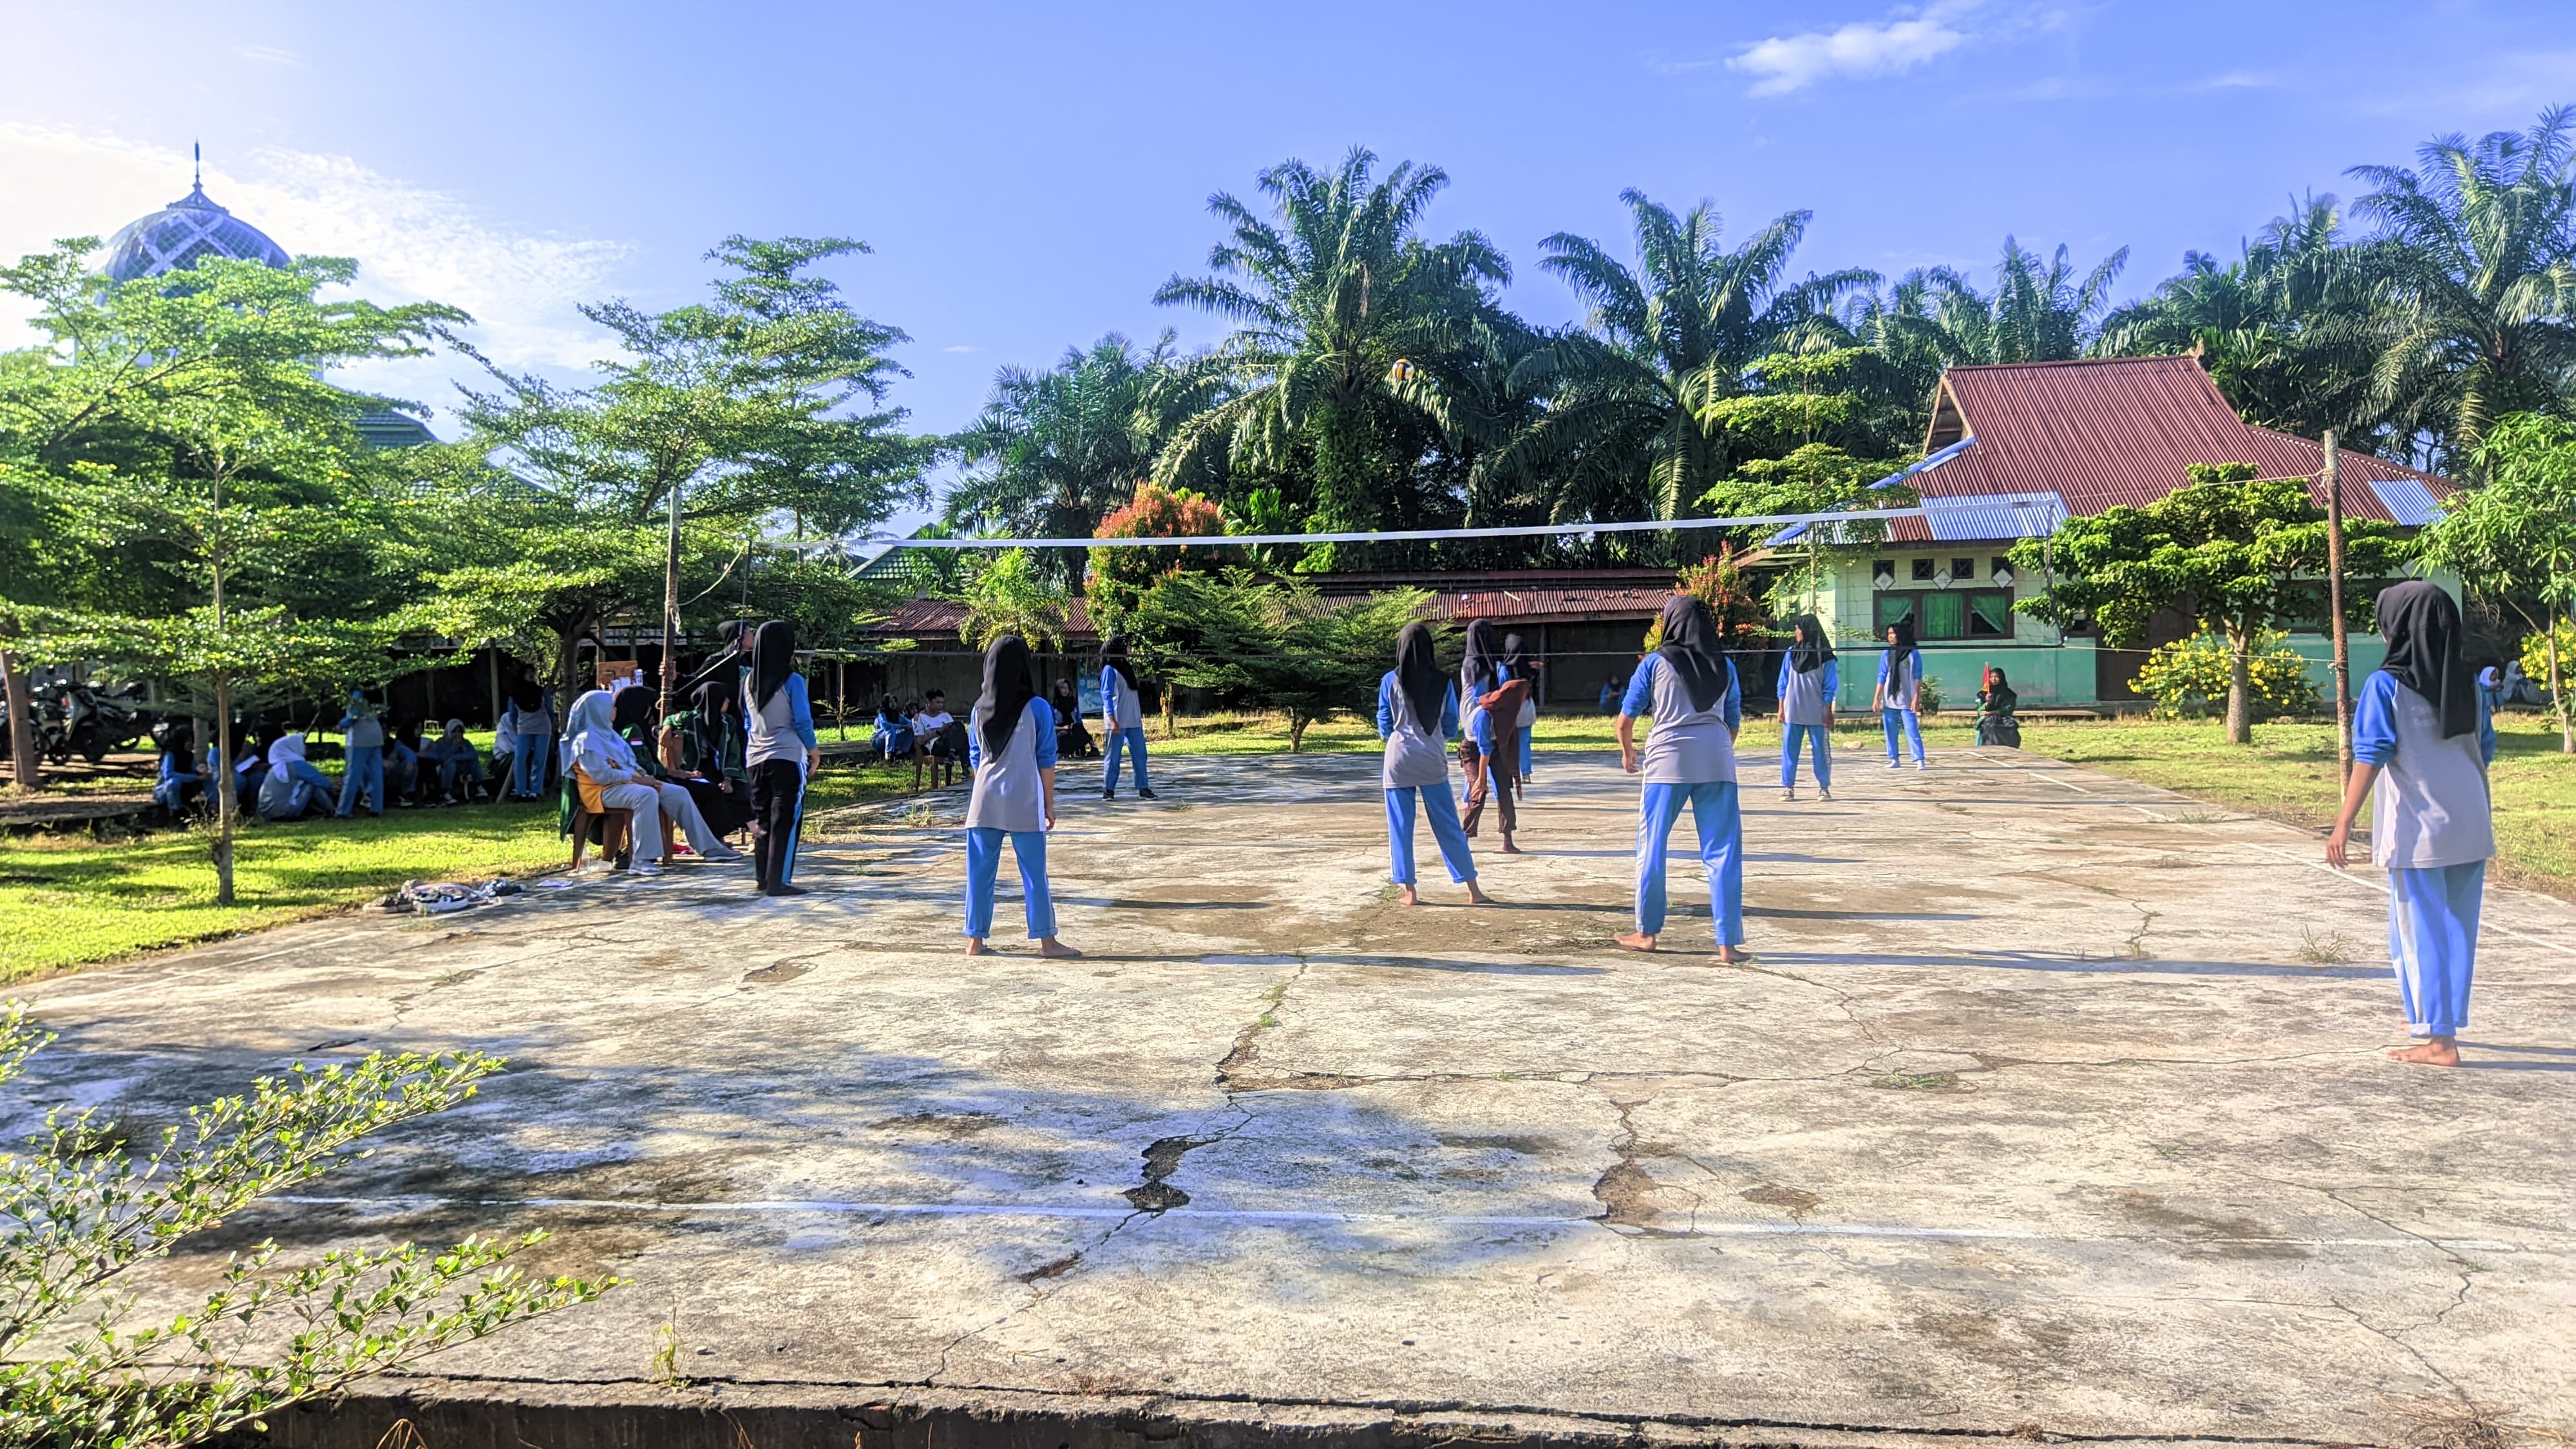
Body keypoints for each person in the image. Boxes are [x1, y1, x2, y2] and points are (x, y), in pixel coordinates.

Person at [2327, 582, 2497, 1068]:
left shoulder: (2387, 685)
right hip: (2471, 822)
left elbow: (2371, 755)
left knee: (2416, 934)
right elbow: (2484, 749)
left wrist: (2343, 824)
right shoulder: (2471, 683)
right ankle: (2435, 1020)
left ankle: (2439, 1042)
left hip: (2421, 830)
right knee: (2458, 931)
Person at [1615, 595, 1744, 958]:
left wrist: (1628, 752)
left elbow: (1626, 720)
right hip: (1717, 762)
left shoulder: (1655, 664)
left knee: (1652, 847)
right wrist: (1715, 749)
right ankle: (1727, 943)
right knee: (1723, 851)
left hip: (1666, 765)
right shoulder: (1726, 666)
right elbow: (1733, 722)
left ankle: (1647, 933)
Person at [963, 634, 1080, 956]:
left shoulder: (977, 711)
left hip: (983, 801)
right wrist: (1049, 804)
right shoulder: (1038, 709)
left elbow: (976, 758)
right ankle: (1048, 942)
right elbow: (1046, 759)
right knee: (1034, 874)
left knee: (980, 873)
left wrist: (991, 787)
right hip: (1024, 800)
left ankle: (975, 941)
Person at [565, 687, 744, 875]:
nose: (615, 711)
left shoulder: (611, 736)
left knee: (678, 792)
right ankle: (641, 859)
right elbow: (601, 776)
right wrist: (641, 781)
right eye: (610, 707)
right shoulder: (585, 740)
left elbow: (631, 763)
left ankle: (709, 847)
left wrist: (646, 778)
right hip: (601, 791)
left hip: (626, 785)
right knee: (646, 795)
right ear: (597, 710)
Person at [1376, 622, 1490, 907]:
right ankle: (1473, 890)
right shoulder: (1443, 682)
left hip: (1398, 760)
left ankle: (1410, 892)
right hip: (1432, 758)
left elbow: (1384, 722)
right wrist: (1435, 738)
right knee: (1449, 825)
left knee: (1400, 828)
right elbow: (1451, 723)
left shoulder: (1390, 680)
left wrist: (1398, 737)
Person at [743, 620, 822, 897]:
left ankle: (762, 878)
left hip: (755, 758)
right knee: (785, 820)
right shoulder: (793, 681)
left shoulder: (748, 682)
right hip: (787, 756)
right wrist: (813, 751)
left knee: (763, 820)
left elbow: (747, 722)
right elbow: (802, 722)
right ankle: (779, 880)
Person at [1456, 619, 1526, 851]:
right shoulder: (1499, 668)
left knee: (1479, 789)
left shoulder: (1468, 665)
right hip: (1491, 732)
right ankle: (1507, 839)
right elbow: (1506, 692)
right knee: (1491, 787)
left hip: (1473, 732)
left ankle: (1464, 839)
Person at [1777, 614, 1837, 802]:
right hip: (1792, 709)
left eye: (1798, 628)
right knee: (1789, 749)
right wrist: (1781, 706)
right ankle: (1788, 787)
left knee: (1820, 750)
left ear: (1808, 630)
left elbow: (1830, 686)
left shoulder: (1826, 657)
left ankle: (1824, 787)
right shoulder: (1791, 652)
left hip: (1816, 711)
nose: (1796, 632)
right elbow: (1783, 681)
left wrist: (1827, 710)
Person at [1098, 636, 1153, 800]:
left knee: (1140, 754)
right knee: (1114, 757)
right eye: (1126, 646)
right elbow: (1106, 696)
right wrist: (1112, 720)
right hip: (1117, 722)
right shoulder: (1109, 669)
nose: (1129, 649)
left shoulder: (1127, 667)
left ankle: (1143, 787)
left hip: (1133, 721)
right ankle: (1108, 790)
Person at [1875, 619, 1927, 771]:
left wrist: (1916, 697)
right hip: (1890, 698)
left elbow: (1918, 676)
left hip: (1907, 699)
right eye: (1889, 634)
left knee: (1911, 729)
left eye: (1893, 633)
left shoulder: (1913, 654)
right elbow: (1882, 676)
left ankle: (1919, 759)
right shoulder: (1886, 654)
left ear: (1901, 634)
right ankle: (1894, 758)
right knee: (1890, 730)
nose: (1890, 637)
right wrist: (1877, 697)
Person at [256, 731, 336, 820]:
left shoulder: (277, 766)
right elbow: (324, 783)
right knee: (312, 784)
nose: (305, 747)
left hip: (267, 813)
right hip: (284, 812)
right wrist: (333, 792)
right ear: (293, 747)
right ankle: (332, 811)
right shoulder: (296, 765)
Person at [334, 690, 386, 817]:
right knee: (376, 774)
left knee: (352, 775)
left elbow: (354, 716)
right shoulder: (378, 694)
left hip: (359, 737)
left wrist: (341, 725)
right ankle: (377, 808)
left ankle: (343, 811)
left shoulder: (358, 695)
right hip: (376, 735)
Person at [500, 693, 554, 800]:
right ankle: (521, 792)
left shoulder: (541, 692)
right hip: (523, 728)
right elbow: (513, 714)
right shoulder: (515, 695)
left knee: (539, 759)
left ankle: (536, 791)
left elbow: (549, 710)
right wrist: (515, 725)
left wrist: (552, 723)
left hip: (543, 728)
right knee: (520, 758)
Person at [1503, 632, 1539, 792]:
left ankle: (1510, 772)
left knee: (1508, 744)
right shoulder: (1528, 667)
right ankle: (1526, 774)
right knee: (1524, 743)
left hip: (1509, 710)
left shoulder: (1504, 669)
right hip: (1526, 708)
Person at [421, 719, 483, 804]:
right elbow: (439, 759)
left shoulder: (465, 743)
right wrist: (453, 748)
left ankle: (478, 786)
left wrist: (454, 757)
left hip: (462, 769)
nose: (457, 735)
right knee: (450, 765)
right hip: (444, 770)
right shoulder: (441, 743)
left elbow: (474, 755)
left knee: (473, 762)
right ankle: (445, 791)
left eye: (460, 732)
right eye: (454, 732)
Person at [153, 732, 207, 816]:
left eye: (192, 741)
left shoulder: (189, 756)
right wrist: (194, 777)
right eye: (188, 741)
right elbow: (169, 775)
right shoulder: (170, 756)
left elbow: (195, 768)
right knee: (174, 782)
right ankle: (174, 811)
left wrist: (201, 770)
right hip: (165, 791)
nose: (191, 744)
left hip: (183, 791)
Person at [917, 690, 965, 787]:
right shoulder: (919, 718)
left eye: (942, 703)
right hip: (935, 745)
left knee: (959, 726)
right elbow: (920, 741)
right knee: (958, 738)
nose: (940, 705)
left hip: (949, 743)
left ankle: (952, 754)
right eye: (938, 702)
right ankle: (965, 768)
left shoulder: (946, 715)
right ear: (929, 702)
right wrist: (939, 732)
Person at [1976, 666, 2023, 748]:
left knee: (2011, 726)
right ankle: (1990, 747)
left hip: (2004, 718)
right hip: (1987, 718)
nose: (1993, 679)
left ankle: (2010, 748)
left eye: (1996, 677)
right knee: (1991, 725)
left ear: (2002, 678)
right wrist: (1987, 703)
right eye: (1991, 677)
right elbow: (1979, 710)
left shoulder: (2009, 694)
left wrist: (1991, 713)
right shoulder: (1984, 693)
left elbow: (2009, 709)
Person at [1051, 676, 1094, 759]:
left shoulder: (1073, 704)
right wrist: (1063, 728)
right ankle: (1062, 752)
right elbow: (1050, 726)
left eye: (1067, 688)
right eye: (1063, 688)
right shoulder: (1052, 707)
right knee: (1065, 733)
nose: (1065, 691)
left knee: (1078, 728)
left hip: (1073, 728)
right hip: (1059, 730)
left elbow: (1079, 721)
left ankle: (1091, 747)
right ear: (1058, 689)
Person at [385, 719, 424, 805]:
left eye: (386, 729)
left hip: (392, 769)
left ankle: (408, 793)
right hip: (378, 770)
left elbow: (407, 753)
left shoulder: (394, 743)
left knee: (412, 766)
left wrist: (410, 762)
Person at [871, 694, 916, 762]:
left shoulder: (897, 714)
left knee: (912, 731)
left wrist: (914, 726)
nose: (893, 704)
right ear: (886, 703)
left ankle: (900, 753)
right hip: (878, 739)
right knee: (891, 729)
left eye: (895, 701)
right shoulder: (881, 714)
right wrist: (902, 726)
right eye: (891, 702)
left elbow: (909, 723)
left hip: (892, 738)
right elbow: (886, 726)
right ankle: (888, 756)